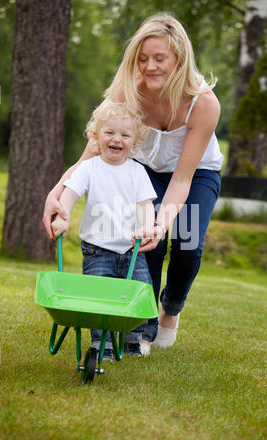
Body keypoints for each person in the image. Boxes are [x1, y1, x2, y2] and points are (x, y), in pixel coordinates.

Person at [43, 12, 223, 357]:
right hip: (142, 169)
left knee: (186, 243)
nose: (149, 67)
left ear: (179, 59)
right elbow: (87, 160)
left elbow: (182, 178)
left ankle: (171, 309)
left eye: (159, 58)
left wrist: (163, 221)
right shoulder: (126, 95)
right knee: (145, 243)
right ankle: (141, 325)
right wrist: (57, 191)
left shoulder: (203, 104)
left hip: (195, 172)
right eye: (142, 59)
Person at [51, 101, 158, 358]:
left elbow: (145, 205)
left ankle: (133, 340)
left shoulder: (137, 172)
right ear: (96, 135)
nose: (117, 140)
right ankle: (103, 346)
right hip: (98, 251)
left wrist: (147, 226)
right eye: (110, 132)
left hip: (132, 250)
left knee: (139, 294)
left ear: (135, 140)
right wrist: (62, 217)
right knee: (99, 300)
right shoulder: (89, 168)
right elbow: (70, 193)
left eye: (125, 135)